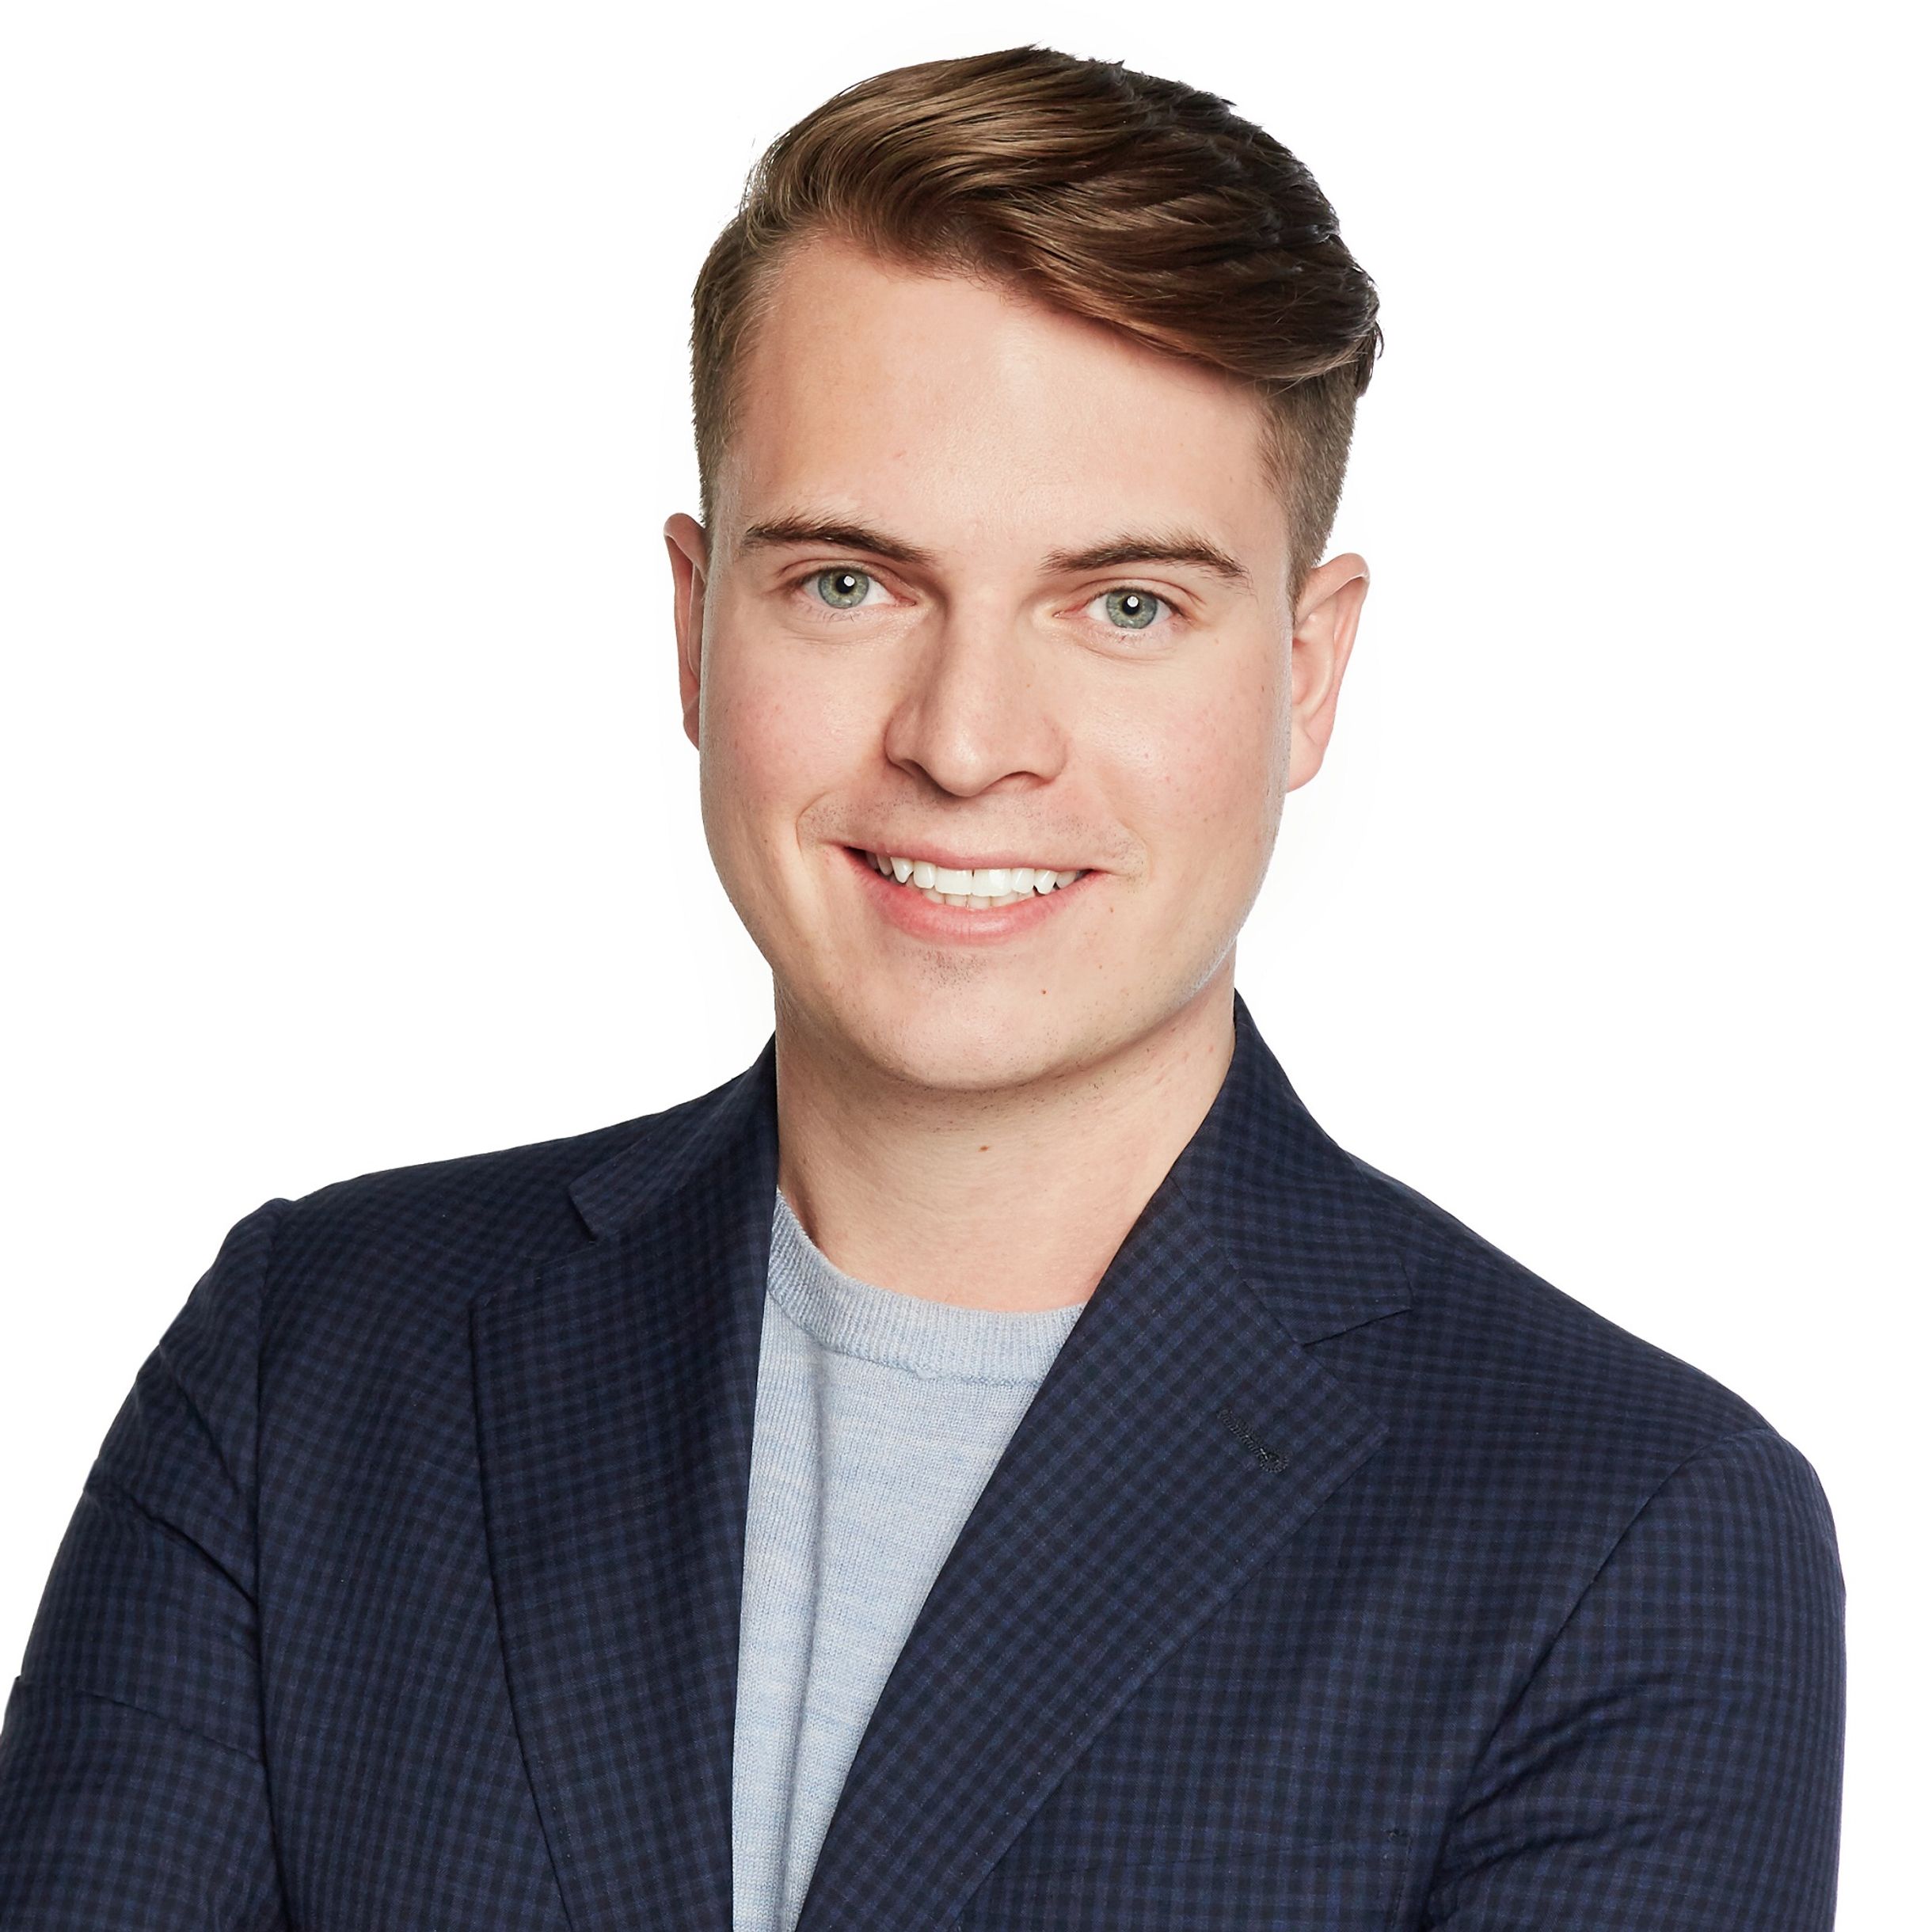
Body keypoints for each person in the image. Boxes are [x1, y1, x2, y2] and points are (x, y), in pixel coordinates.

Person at [0, 44, 1845, 1932]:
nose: (964, 742)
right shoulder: (313, 1365)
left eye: (1123, 604)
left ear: (1303, 673)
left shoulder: (1626, 1535)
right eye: (848, 584)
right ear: (692, 626)